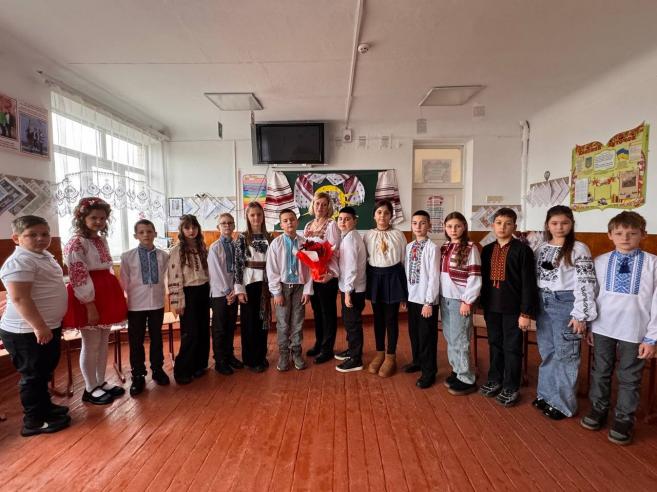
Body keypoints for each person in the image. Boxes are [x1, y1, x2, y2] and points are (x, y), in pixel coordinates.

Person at [580, 211, 656, 445]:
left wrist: (652, 337)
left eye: (632, 233)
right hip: (603, 327)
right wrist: (590, 325)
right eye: (620, 233)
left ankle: (624, 418)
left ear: (643, 235)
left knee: (630, 377)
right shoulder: (600, 261)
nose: (625, 238)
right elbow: (592, 295)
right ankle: (598, 408)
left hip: (635, 331)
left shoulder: (653, 263)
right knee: (600, 371)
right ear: (610, 235)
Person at [0, 215, 70, 436]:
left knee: (43, 372)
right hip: (27, 331)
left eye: (45, 234)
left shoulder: (42, 255)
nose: (40, 238)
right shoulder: (19, 261)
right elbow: (20, 298)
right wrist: (39, 327)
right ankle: (34, 421)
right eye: (32, 235)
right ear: (16, 238)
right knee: (32, 376)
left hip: (46, 326)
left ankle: (45, 408)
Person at [533, 206, 597, 420]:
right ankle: (545, 395)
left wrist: (581, 315)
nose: (559, 227)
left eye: (564, 223)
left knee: (566, 353)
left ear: (571, 224)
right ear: (547, 225)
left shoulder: (579, 248)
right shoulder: (541, 248)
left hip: (566, 304)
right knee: (548, 351)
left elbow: (586, 282)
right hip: (543, 302)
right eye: (554, 223)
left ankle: (563, 404)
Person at [62, 197, 128, 405]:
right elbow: (78, 275)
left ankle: (100, 382)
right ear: (82, 218)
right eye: (93, 218)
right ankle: (90, 388)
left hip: (105, 291)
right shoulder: (76, 243)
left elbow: (105, 268)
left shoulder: (100, 240)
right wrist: (89, 304)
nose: (99, 221)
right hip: (88, 295)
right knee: (90, 344)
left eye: (102, 218)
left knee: (102, 342)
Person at [479, 207, 537, 407]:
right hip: (492, 307)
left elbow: (528, 283)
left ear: (515, 226)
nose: (502, 227)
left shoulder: (523, 250)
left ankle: (511, 386)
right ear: (492, 225)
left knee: (512, 347)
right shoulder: (487, 250)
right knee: (494, 344)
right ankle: (495, 379)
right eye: (498, 223)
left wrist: (525, 312)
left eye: (507, 223)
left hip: (514, 309)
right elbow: (482, 280)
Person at [120, 219, 170, 397]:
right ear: (136, 236)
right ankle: (138, 375)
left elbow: (166, 277)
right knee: (136, 341)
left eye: (149, 231)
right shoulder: (127, 256)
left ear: (155, 233)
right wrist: (125, 302)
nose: (146, 235)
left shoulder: (163, 255)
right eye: (141, 232)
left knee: (157, 337)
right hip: (136, 304)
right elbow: (124, 281)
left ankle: (157, 369)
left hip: (156, 303)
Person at [364, 199, 408, 378]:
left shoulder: (398, 235)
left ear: (391, 216)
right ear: (374, 215)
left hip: (394, 276)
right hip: (375, 277)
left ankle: (391, 356)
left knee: (391, 318)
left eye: (386, 213)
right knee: (378, 318)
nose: (382, 216)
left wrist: (405, 290)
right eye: (379, 212)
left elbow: (404, 261)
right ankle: (380, 352)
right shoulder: (368, 235)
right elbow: (365, 258)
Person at [440, 212, 482, 396]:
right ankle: (457, 370)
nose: (453, 230)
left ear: (464, 227)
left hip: (460, 301)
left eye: (457, 226)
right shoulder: (445, 247)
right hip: (445, 299)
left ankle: (466, 378)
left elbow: (474, 277)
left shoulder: (471, 248)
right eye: (449, 226)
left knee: (460, 340)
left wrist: (467, 301)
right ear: (445, 228)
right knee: (450, 337)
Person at [266, 209, 313, 372]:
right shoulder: (276, 244)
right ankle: (284, 354)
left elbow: (311, 268)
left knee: (297, 322)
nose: (289, 223)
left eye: (292, 219)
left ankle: (296, 352)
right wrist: (276, 292)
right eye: (285, 221)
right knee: (283, 323)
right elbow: (272, 270)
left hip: (300, 287)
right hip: (283, 288)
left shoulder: (305, 243)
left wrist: (307, 290)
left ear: (297, 221)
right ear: (281, 224)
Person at [167, 214, 210, 385]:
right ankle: (182, 370)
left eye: (194, 227)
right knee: (190, 333)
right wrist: (177, 302)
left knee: (203, 330)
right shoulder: (177, 251)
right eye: (187, 228)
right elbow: (173, 277)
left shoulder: (202, 247)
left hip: (203, 291)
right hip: (188, 293)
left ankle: (199, 365)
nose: (191, 231)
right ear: (181, 230)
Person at [303, 191, 341, 363]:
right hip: (313, 276)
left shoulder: (332, 224)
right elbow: (306, 250)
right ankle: (319, 343)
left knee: (328, 313)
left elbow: (334, 250)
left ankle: (327, 349)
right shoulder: (308, 225)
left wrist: (330, 273)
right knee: (317, 312)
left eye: (324, 204)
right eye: (318, 203)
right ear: (313, 205)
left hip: (327, 276)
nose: (320, 207)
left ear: (328, 207)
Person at [403, 210, 440, 388]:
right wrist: (406, 296)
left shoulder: (433, 248)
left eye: (422, 223)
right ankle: (417, 361)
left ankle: (429, 371)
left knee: (427, 337)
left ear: (429, 226)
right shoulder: (409, 246)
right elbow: (406, 272)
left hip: (426, 301)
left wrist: (428, 302)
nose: (418, 226)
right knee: (414, 333)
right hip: (412, 298)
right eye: (415, 223)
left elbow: (433, 277)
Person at [234, 202, 271, 373]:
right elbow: (238, 264)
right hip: (249, 284)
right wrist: (239, 289)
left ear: (263, 216)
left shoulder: (269, 236)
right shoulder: (242, 238)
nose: (256, 218)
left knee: (263, 321)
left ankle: (261, 355)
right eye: (252, 215)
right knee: (249, 322)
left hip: (264, 284)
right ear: (247, 217)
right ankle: (251, 359)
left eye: (259, 214)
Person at [208, 213, 243, 375]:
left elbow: (238, 269)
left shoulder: (236, 246)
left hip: (233, 292)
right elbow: (216, 273)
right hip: (220, 294)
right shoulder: (215, 247)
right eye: (223, 223)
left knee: (230, 326)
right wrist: (228, 292)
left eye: (230, 223)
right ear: (218, 227)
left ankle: (229, 355)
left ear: (234, 225)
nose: (227, 225)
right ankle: (220, 360)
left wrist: (235, 290)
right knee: (220, 328)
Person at [335, 206, 367, 373]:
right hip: (350, 288)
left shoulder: (350, 240)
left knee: (353, 323)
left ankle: (356, 359)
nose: (343, 222)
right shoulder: (348, 236)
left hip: (353, 289)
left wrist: (347, 292)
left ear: (355, 221)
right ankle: (352, 350)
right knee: (349, 321)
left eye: (347, 219)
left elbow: (351, 268)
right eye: (340, 219)